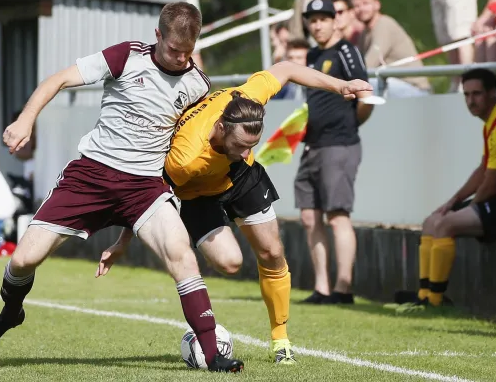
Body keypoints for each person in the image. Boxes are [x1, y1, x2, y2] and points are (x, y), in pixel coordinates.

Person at [0, 2, 244, 373]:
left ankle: (214, 355)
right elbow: (58, 79)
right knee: (23, 260)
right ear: (157, 35)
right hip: (91, 177)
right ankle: (9, 314)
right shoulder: (125, 56)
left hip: (144, 187)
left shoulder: (198, 86)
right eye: (172, 49)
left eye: (187, 52)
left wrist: (125, 239)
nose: (180, 58)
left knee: (182, 254)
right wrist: (25, 121)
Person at [96, 62, 373, 363]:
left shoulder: (247, 102)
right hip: (198, 196)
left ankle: (280, 339)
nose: (246, 152)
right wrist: (123, 241)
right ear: (219, 128)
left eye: (251, 145)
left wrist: (340, 86)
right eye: (241, 145)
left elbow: (288, 68)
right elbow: (149, 191)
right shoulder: (185, 159)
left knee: (272, 252)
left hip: (242, 179)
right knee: (230, 263)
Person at [394, 68, 496, 314]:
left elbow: (493, 181)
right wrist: (453, 201)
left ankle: (435, 301)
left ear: (493, 93)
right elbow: (484, 168)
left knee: (445, 225)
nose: (471, 101)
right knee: (432, 221)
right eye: (466, 95)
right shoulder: (490, 123)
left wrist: (470, 207)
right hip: (493, 198)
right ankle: (424, 295)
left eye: (477, 94)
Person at [295, 0, 374, 305]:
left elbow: (366, 95)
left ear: (335, 21)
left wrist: (353, 121)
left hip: (339, 145)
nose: (317, 25)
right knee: (309, 217)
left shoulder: (346, 50)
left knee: (337, 216)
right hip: (311, 144)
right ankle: (322, 288)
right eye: (312, 20)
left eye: (323, 19)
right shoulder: (313, 54)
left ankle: (343, 289)